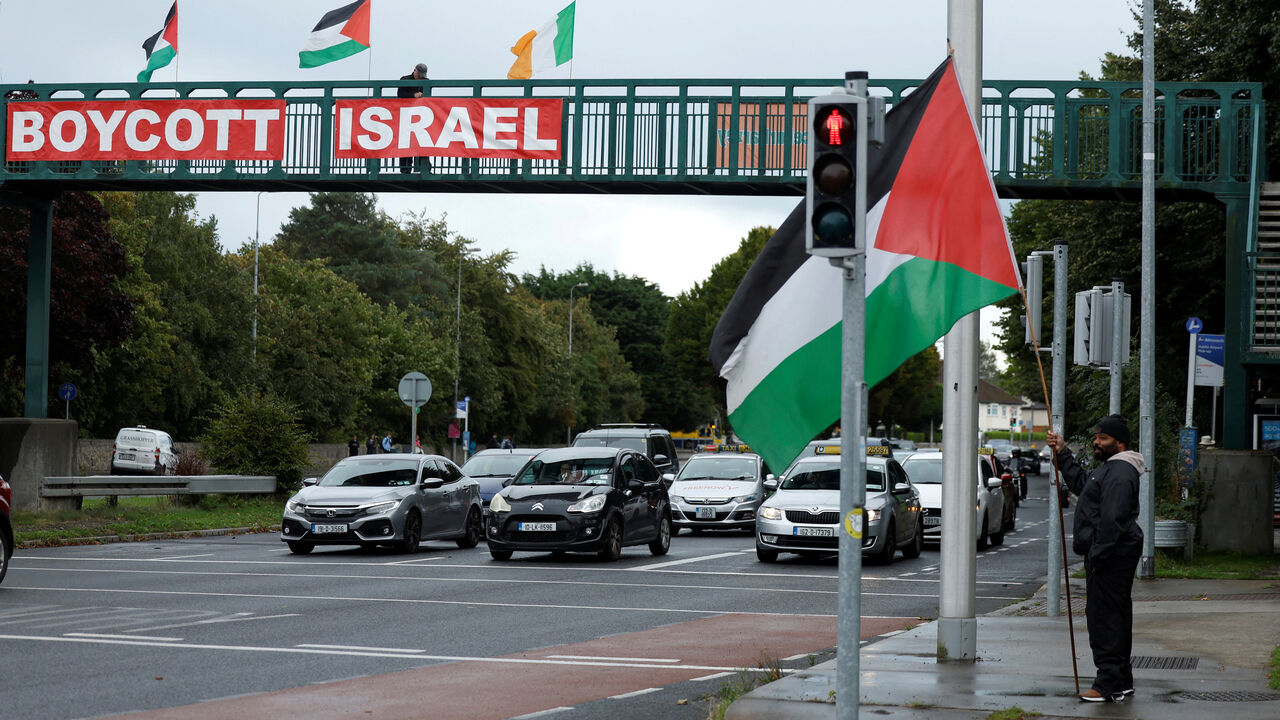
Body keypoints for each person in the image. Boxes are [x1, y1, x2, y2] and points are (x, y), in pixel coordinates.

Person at [1045, 414, 1143, 704]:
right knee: (1116, 616)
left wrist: (1098, 556)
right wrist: (1062, 453)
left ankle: (1107, 684)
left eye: (1103, 438)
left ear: (1119, 442)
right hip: (1113, 555)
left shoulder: (1120, 474)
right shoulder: (1111, 470)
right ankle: (1121, 680)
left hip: (1110, 558)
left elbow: (1113, 521)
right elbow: (1082, 483)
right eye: (1096, 438)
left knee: (1104, 619)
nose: (1096, 443)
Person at [398, 63, 432, 174]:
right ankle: (405, 169)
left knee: (422, 141)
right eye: (420, 74)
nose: (421, 76)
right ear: (414, 70)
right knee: (405, 141)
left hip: (421, 116)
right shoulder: (404, 79)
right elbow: (400, 94)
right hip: (406, 114)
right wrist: (414, 95)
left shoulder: (426, 81)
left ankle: (425, 167)